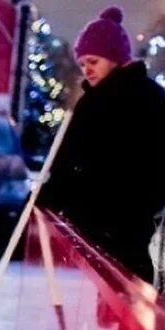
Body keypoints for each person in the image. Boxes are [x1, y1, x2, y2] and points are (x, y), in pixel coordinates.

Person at [38, 6, 165, 284]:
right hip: (119, 226)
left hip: (120, 225)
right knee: (119, 295)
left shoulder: (106, 103)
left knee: (122, 292)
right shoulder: (144, 97)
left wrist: (50, 196)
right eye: (82, 64)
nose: (87, 70)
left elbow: (71, 162)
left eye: (93, 61)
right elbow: (67, 161)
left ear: (115, 58)